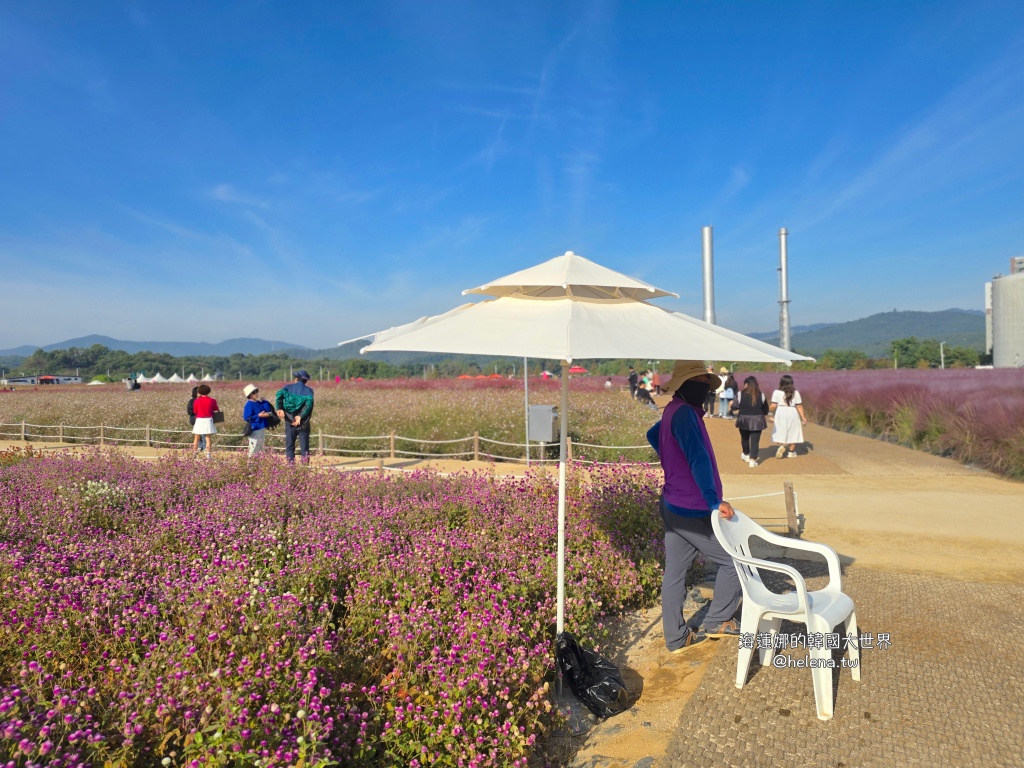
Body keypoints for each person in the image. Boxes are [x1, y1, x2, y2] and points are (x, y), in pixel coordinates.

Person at [646, 360, 742, 652]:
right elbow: (699, 460)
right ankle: (717, 620)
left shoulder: (673, 409)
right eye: (700, 382)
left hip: (672, 502)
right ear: (688, 385)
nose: (705, 388)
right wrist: (715, 500)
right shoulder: (686, 414)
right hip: (690, 507)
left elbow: (653, 434)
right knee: (734, 561)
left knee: (674, 573)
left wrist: (672, 459)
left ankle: (676, 637)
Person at [276, 370, 315, 464]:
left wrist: (279, 408)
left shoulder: (287, 388)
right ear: (305, 381)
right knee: (304, 447)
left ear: (296, 379)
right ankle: (304, 468)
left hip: (289, 421)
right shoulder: (309, 391)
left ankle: (291, 468)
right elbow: (309, 404)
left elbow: (279, 396)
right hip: (303, 423)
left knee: (289, 446)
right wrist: (300, 416)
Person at [731, 376, 770, 467]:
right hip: (757, 420)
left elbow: (734, 407)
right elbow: (765, 410)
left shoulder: (740, 394)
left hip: (743, 419)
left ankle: (746, 454)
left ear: (746, 384)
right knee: (755, 441)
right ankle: (753, 461)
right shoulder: (761, 395)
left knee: (744, 438)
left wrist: (731, 405)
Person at [770, 374, 808, 459]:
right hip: (792, 412)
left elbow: (773, 405)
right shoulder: (796, 393)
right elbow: (799, 406)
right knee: (793, 432)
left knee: (780, 430)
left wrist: (767, 411)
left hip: (781, 412)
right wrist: (803, 417)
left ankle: (783, 444)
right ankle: (791, 452)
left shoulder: (777, 392)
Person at [242, 384, 273, 456]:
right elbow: (246, 417)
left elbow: (268, 410)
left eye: (256, 391)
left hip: (261, 427)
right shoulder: (249, 404)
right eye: (254, 392)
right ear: (250, 395)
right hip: (255, 428)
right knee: (254, 447)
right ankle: (251, 465)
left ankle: (257, 464)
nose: (256, 393)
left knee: (261, 447)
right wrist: (258, 416)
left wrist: (265, 401)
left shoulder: (259, 403)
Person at [191, 384, 219, 458]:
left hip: (199, 419)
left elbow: (195, 411)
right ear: (208, 391)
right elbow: (216, 409)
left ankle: (194, 453)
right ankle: (208, 455)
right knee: (208, 438)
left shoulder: (196, 401)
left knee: (196, 437)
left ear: (199, 392)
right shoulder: (212, 400)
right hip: (208, 420)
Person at [187, 385, 206, 453]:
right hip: (195, 419)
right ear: (195, 393)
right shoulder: (192, 401)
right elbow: (189, 411)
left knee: (204, 433)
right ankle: (200, 446)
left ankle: (203, 447)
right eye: (199, 392)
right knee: (198, 434)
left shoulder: (204, 400)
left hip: (203, 419)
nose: (200, 394)